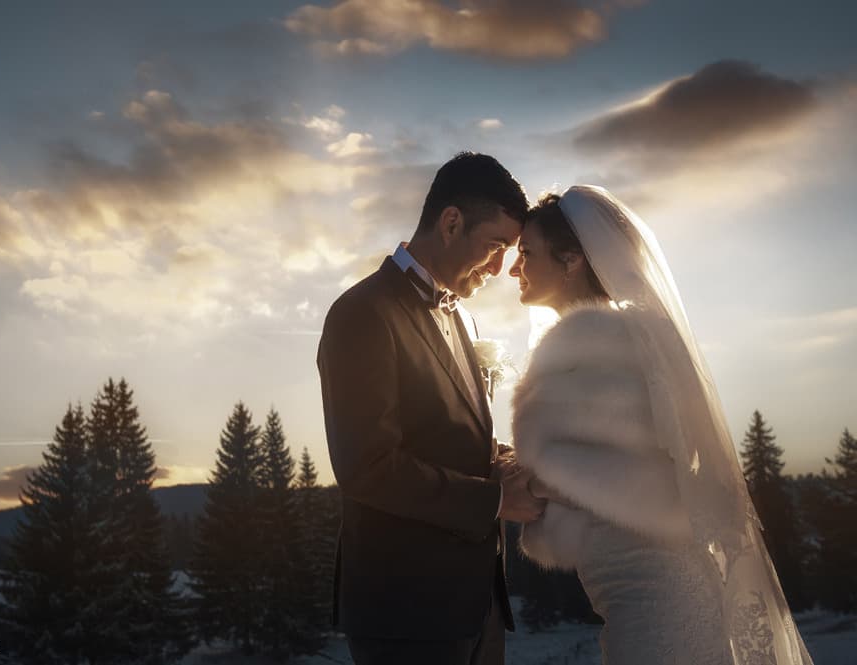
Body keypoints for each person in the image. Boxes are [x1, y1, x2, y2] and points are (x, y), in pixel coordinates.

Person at [508, 186, 813, 664]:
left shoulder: (594, 347)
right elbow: (610, 461)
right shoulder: (628, 340)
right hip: (648, 592)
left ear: (571, 261)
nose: (513, 268)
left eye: (526, 253)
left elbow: (583, 475)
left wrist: (510, 482)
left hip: (658, 600)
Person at [317, 152, 546, 665]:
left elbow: (443, 432)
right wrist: (494, 501)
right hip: (406, 613)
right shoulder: (362, 313)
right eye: (495, 246)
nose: (499, 269)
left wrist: (502, 457)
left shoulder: (464, 317)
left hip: (478, 608)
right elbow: (367, 467)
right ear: (451, 222)